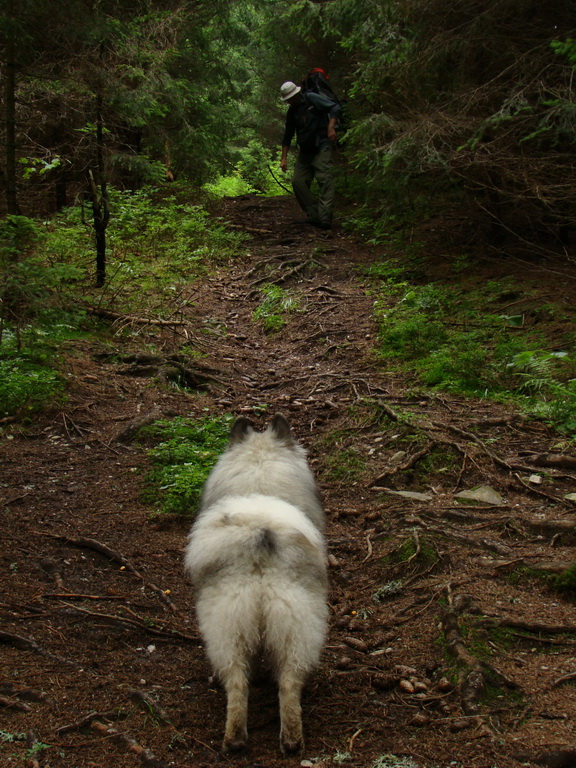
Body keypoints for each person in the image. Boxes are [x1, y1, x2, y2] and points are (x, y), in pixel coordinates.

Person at [279, 80, 341, 230]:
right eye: (287, 100)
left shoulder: (312, 98)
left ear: (296, 94)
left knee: (324, 180)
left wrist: (331, 127)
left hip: (321, 146)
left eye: (290, 98)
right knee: (298, 181)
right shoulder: (292, 111)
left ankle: (325, 220)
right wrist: (283, 157)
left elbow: (335, 107)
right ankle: (314, 214)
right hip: (305, 151)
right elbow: (288, 135)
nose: (289, 102)